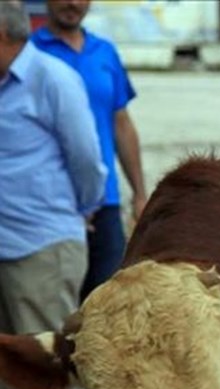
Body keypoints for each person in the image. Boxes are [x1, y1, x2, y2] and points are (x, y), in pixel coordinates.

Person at [0, 0, 106, 389]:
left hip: (42, 239)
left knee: (52, 345)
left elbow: (86, 158)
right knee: (8, 347)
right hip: (5, 239)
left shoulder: (52, 79)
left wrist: (82, 208)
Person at [33, 0, 147, 300]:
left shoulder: (105, 51)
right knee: (49, 310)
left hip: (104, 201)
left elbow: (121, 123)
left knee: (105, 305)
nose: (73, 3)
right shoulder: (28, 53)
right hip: (49, 205)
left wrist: (139, 193)